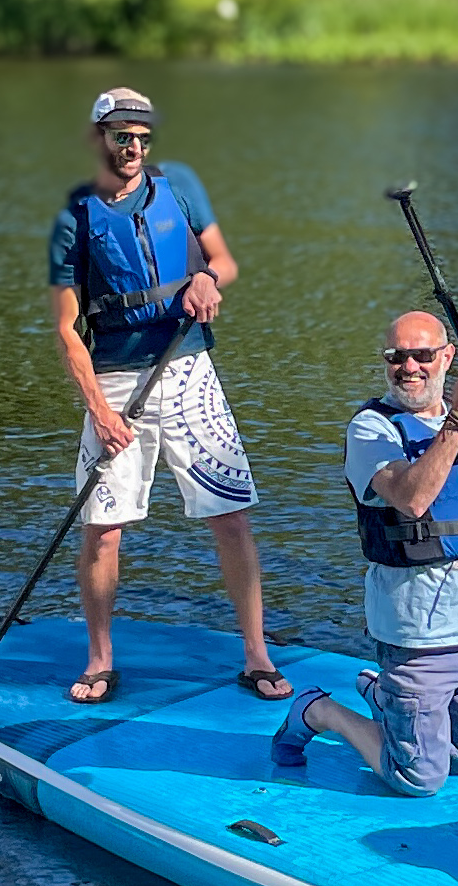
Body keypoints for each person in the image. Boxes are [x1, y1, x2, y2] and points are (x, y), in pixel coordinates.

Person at [47, 86, 292, 706]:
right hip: (114, 380)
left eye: (142, 137)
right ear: (99, 138)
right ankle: (100, 659)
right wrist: (99, 411)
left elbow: (224, 260)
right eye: (122, 136)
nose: (133, 147)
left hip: (188, 371)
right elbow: (66, 329)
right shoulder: (75, 216)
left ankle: (257, 655)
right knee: (103, 528)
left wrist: (207, 278)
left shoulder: (178, 185)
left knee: (231, 516)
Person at [272, 311, 458, 795]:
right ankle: (320, 710)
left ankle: (384, 697)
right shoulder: (372, 430)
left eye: (423, 355)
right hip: (417, 633)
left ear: (447, 358)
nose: (409, 367)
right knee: (418, 778)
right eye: (397, 357)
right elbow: (413, 500)